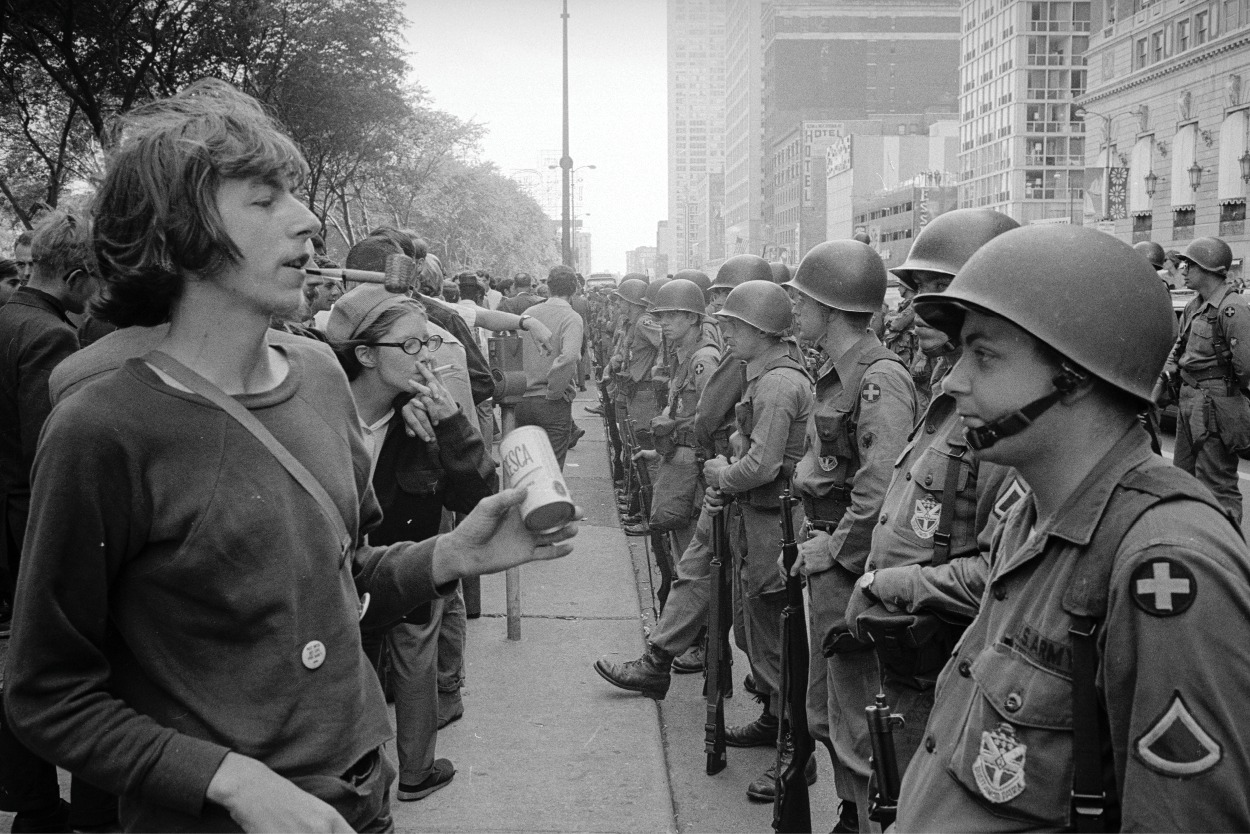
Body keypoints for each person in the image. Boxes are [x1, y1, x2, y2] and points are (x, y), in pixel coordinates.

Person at [3, 79, 578, 834]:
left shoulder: (318, 377)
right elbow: (48, 693)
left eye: (294, 196)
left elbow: (337, 577)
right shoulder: (103, 426)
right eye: (264, 199)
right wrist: (228, 781)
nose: (307, 221)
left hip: (361, 797)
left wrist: (449, 555)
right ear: (175, 232)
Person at [896, 223, 1250, 832]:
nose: (954, 381)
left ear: (1076, 375)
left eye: (984, 355)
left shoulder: (1165, 561)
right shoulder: (1031, 511)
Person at [839, 210, 1022, 819]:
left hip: (946, 649)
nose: (917, 309)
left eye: (934, 292)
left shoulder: (1005, 419)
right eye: (916, 292)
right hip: (912, 651)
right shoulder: (951, 392)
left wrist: (895, 582)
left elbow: (1003, 574)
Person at [327, 285, 496, 803]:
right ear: (364, 355)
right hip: (337, 580)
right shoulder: (317, 411)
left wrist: (451, 425)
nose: (426, 356)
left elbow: (477, 493)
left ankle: (417, 772)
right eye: (411, 346)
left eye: (427, 343)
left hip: (408, 567)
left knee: (415, 657)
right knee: (353, 676)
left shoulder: (422, 416)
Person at [778, 240, 917, 826]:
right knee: (828, 704)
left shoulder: (879, 377)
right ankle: (849, 811)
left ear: (831, 309)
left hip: (849, 562)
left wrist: (834, 552)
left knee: (856, 708)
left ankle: (863, 819)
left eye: (803, 300)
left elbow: (881, 485)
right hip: (829, 550)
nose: (795, 310)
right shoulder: (839, 372)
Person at [0, 210, 117, 833]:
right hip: (18, 528)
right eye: (94, 282)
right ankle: (37, 807)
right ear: (74, 277)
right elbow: (42, 456)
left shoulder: (6, 317)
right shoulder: (47, 337)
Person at [703, 280, 813, 800]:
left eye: (733, 325)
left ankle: (796, 752)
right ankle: (775, 722)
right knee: (755, 631)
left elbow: (762, 465)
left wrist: (722, 474)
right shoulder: (764, 377)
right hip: (760, 520)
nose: (724, 332)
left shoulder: (775, 385)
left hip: (775, 523)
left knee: (773, 635)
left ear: (761, 331)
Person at [1161, 236, 1250, 522]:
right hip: (1190, 398)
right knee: (1184, 479)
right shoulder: (1193, 305)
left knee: (1217, 483)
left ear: (1209, 269)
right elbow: (1180, 346)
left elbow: (1246, 367)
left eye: (1190, 264)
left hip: (1215, 402)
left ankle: (1227, 554)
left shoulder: (1231, 308)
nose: (1183, 270)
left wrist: (1223, 391)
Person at [514, 265, 585, 469]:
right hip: (551, 402)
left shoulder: (529, 314)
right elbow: (569, 357)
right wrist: (555, 391)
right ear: (574, 289)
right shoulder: (571, 318)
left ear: (549, 286)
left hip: (523, 400)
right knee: (551, 471)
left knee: (528, 469)